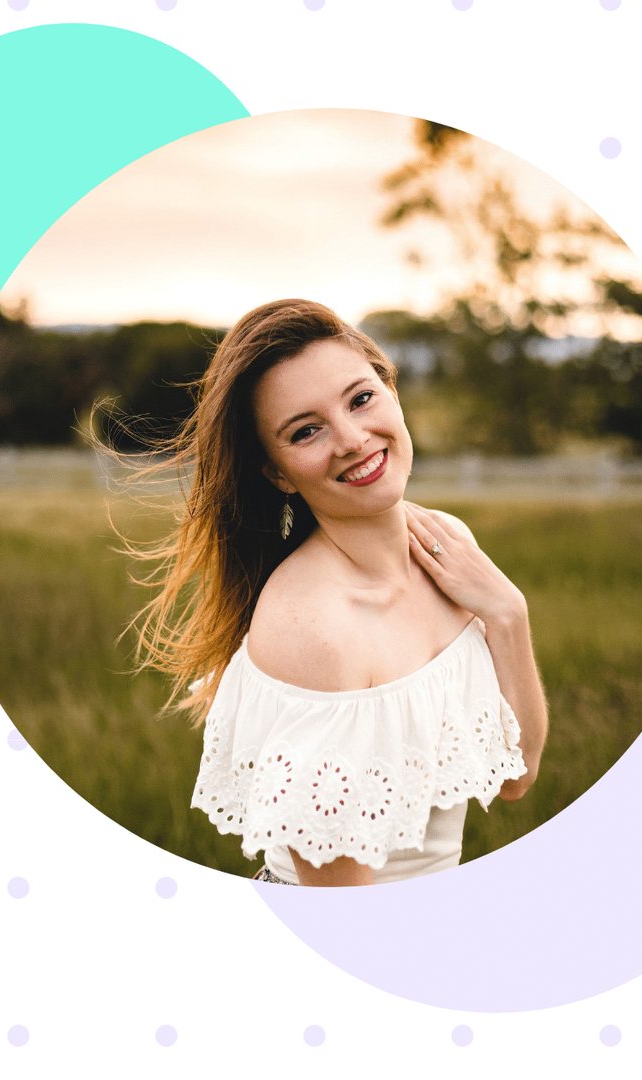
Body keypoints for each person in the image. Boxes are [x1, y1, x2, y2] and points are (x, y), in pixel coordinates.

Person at [124, 298, 547, 886]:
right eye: (306, 431)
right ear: (276, 473)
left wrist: (507, 613)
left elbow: (516, 777)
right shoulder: (312, 630)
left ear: (391, 390)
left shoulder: (448, 544)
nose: (351, 439)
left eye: (361, 398)